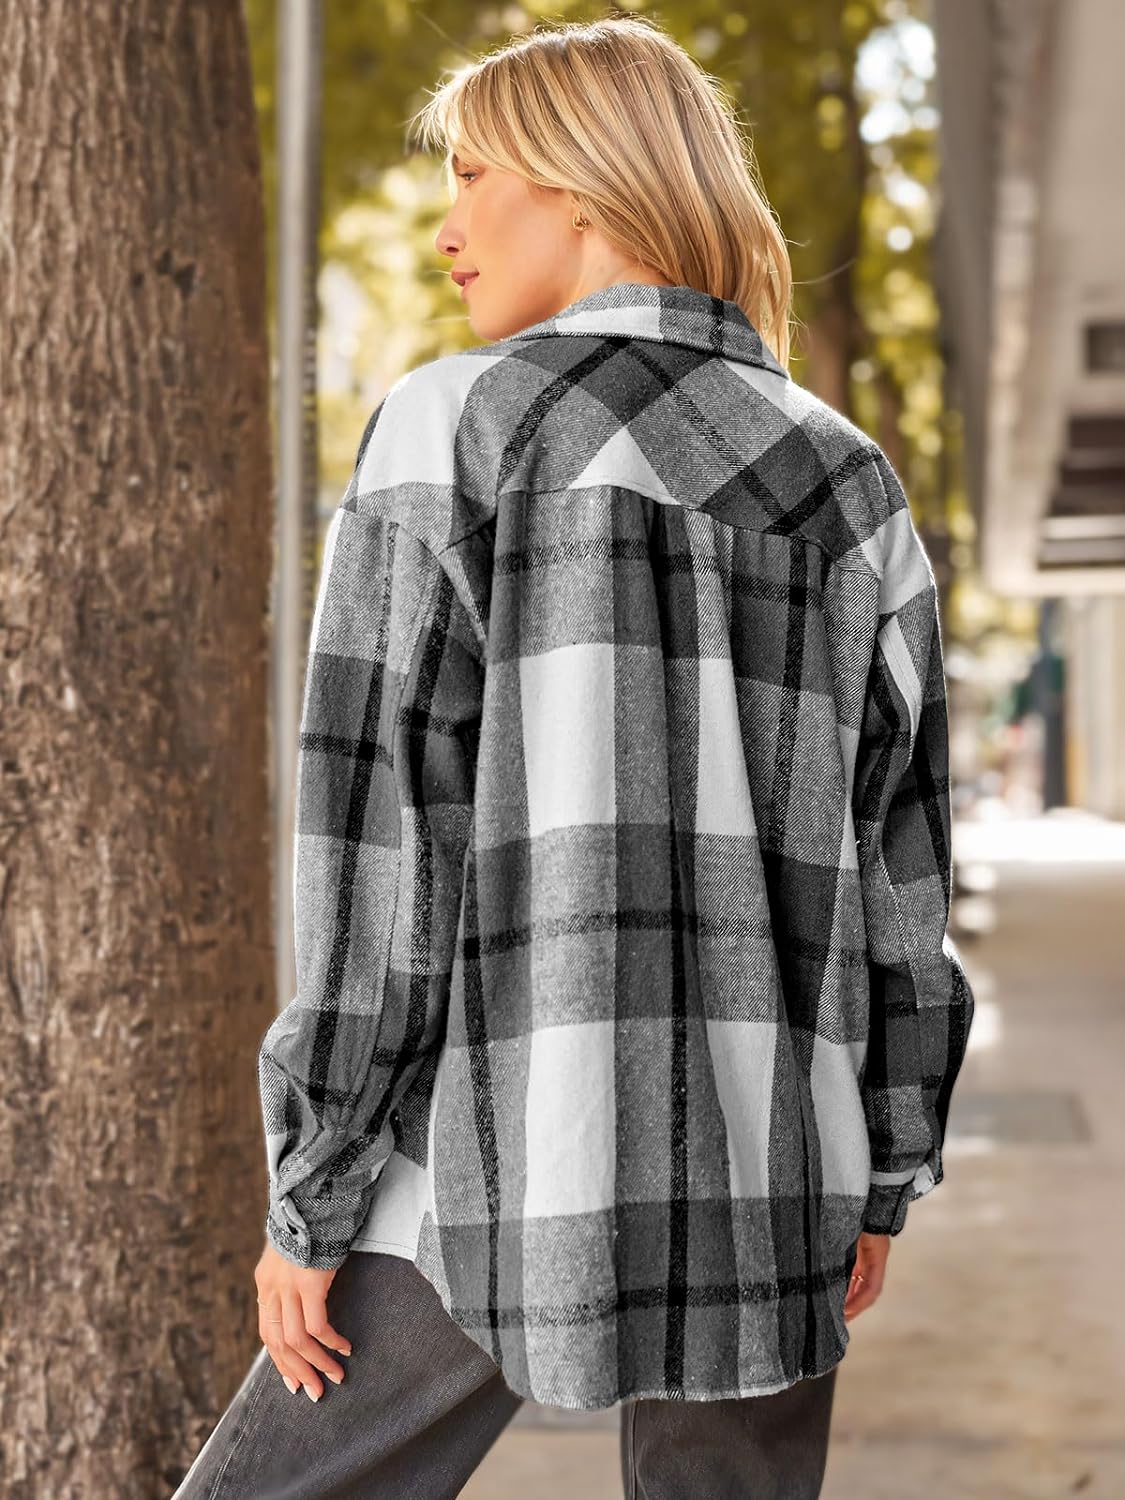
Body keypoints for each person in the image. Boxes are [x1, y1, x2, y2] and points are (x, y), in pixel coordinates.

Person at [170, 14, 974, 1499]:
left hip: (494, 1148)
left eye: (474, 175)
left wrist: (316, 1178)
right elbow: (900, 874)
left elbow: (380, 845)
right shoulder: (844, 480)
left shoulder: (456, 428)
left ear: (583, 181)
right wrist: (881, 1164)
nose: (446, 227)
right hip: (773, 1162)